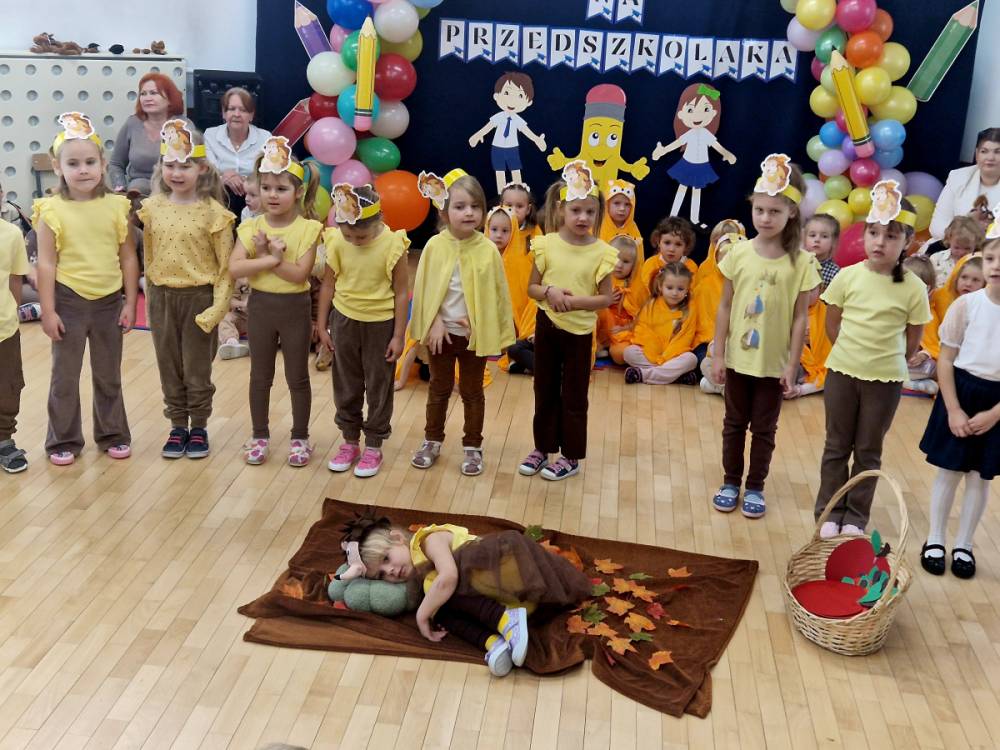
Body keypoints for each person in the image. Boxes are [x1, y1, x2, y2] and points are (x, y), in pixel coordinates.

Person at [814, 182, 932, 538]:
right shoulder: (848, 276)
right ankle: (829, 511)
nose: (880, 242)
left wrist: (890, 359)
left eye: (891, 236)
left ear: (906, 242)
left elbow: (914, 336)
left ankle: (855, 516)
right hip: (842, 373)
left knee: (868, 450)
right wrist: (849, 353)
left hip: (885, 380)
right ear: (864, 234)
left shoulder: (913, 287)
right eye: (874, 233)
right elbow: (832, 323)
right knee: (836, 445)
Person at [710, 157, 819, 518]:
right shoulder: (738, 253)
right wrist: (719, 353)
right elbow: (725, 306)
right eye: (759, 210)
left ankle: (755, 486)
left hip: (774, 363)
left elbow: (801, 316)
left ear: (791, 212)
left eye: (774, 211)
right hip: (738, 360)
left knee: (764, 429)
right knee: (733, 424)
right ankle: (730, 481)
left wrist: (792, 365)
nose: (765, 218)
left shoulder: (801, 262)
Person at [352, 512, 589, 676]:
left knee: (436, 587)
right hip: (508, 599)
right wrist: (431, 610)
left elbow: (449, 577)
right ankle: (494, 643)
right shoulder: (419, 573)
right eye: (381, 575)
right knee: (439, 608)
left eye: (386, 559)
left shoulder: (429, 540)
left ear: (397, 538)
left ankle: (507, 621)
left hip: (516, 577)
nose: (390, 571)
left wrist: (421, 615)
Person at [34, 114, 139, 466]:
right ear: (58, 167)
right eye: (73, 164)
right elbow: (46, 264)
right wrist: (49, 311)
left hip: (109, 302)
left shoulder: (117, 207)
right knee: (64, 377)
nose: (83, 170)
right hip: (68, 302)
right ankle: (62, 439)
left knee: (108, 375)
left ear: (103, 164)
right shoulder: (50, 210)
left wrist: (129, 302)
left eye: (90, 162)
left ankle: (113, 434)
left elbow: (128, 258)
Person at [136, 121, 235, 459]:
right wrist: (152, 300)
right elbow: (150, 259)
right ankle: (177, 425)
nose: (176, 173)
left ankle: (199, 427)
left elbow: (225, 269)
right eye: (170, 165)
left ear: (202, 168)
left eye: (185, 166)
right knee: (169, 366)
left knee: (196, 369)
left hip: (199, 299)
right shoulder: (152, 208)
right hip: (162, 299)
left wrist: (217, 310)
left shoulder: (215, 214)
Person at [409, 171, 514, 476]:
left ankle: (472, 445)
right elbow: (425, 290)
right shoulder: (434, 246)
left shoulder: (487, 250)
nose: (469, 212)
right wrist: (434, 322)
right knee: (439, 388)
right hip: (441, 335)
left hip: (472, 337)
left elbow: (496, 294)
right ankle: (432, 440)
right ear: (444, 212)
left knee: (472, 391)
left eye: (475, 206)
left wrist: (480, 322)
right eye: (460, 206)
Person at [518, 163, 616, 481]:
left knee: (574, 396)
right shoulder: (546, 244)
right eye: (576, 210)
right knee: (544, 389)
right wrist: (550, 292)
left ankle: (570, 455)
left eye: (590, 212)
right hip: (547, 326)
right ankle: (542, 448)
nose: (583, 218)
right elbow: (532, 288)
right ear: (561, 209)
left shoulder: (602, 252)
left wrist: (573, 302)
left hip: (580, 334)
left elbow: (606, 298)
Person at [229, 137, 323, 467]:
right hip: (261, 308)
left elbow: (299, 275)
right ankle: (259, 435)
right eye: (266, 187)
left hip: (294, 309)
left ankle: (300, 437)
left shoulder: (309, 228)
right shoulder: (250, 227)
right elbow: (234, 268)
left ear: (298, 192)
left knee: (297, 376)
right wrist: (270, 259)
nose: (272, 195)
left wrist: (264, 257)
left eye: (281, 188)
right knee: (260, 376)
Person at [918, 236, 1000, 579]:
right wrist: (953, 409)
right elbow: (946, 359)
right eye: (992, 259)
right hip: (961, 393)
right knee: (949, 471)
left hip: (996, 404)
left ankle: (964, 544)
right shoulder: (966, 306)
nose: (997, 266)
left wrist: (995, 414)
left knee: (980, 478)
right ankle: (935, 538)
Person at [316, 185, 408, 478]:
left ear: (378, 220)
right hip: (344, 322)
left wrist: (398, 335)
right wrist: (322, 324)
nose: (354, 242)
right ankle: (349, 441)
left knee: (379, 384)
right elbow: (328, 285)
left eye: (361, 237)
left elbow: (401, 293)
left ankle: (374, 445)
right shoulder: (336, 241)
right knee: (346, 383)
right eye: (348, 236)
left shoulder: (394, 244)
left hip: (380, 325)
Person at [653, 83, 737, 227]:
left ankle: (694, 219)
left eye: (705, 109)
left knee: (696, 192)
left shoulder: (706, 134)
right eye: (691, 110)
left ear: (713, 113)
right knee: (682, 189)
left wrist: (727, 154)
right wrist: (663, 151)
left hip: (701, 166)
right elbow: (677, 143)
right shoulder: (689, 133)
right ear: (681, 114)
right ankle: (672, 217)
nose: (698, 115)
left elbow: (716, 146)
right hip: (687, 164)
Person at [908, 255, 985, 395]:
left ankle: (910, 381)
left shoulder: (982, 309)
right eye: (964, 277)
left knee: (936, 368)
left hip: (959, 362)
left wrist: (925, 354)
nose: (968, 283)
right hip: (903, 357)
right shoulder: (940, 299)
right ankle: (910, 382)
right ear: (956, 278)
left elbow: (935, 342)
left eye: (975, 280)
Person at [468, 73, 547, 194]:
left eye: (520, 95)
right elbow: (487, 127)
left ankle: (519, 195)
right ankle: (502, 197)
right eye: (506, 93)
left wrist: (537, 139)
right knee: (500, 173)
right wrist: (477, 136)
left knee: (516, 171)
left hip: (512, 148)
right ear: (496, 96)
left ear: (528, 102)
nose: (512, 100)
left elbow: (526, 131)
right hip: (497, 148)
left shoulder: (517, 120)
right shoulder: (498, 117)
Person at [109, 74, 187, 195]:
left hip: (174, 188)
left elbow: (194, 165)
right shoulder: (132, 123)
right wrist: (120, 188)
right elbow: (116, 164)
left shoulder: (183, 125)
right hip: (138, 189)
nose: (147, 98)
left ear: (170, 98)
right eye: (143, 94)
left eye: (153, 93)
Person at [622, 262, 698, 385]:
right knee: (629, 352)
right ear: (660, 286)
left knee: (691, 359)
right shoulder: (651, 305)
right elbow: (642, 329)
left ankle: (644, 374)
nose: (675, 293)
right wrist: (656, 353)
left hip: (673, 355)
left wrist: (666, 356)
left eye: (680, 289)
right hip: (651, 353)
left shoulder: (690, 309)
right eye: (670, 288)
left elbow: (685, 338)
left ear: (687, 289)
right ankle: (674, 376)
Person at [204, 87, 272, 219]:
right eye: (231, 109)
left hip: (255, 201)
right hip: (220, 197)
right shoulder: (210, 135)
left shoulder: (265, 138)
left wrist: (245, 180)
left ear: (251, 115)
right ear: (224, 113)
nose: (237, 114)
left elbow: (268, 175)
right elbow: (209, 172)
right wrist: (224, 178)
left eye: (243, 110)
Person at [694, 223, 746, 394]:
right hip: (708, 342)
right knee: (702, 361)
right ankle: (727, 389)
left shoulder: (746, 286)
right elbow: (700, 321)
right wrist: (715, 343)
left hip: (735, 344)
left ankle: (715, 386)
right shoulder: (705, 285)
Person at [929, 128, 1000, 240]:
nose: (990, 158)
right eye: (984, 151)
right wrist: (967, 239)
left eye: (997, 152)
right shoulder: (958, 177)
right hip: (953, 245)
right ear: (977, 154)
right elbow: (937, 227)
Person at [0, 217, 29, 473]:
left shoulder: (12, 233)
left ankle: (4, 441)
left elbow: (15, 280)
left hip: (4, 326)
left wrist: (14, 315)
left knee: (9, 386)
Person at [633, 216, 697, 312]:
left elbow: (691, 294)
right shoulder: (651, 263)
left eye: (678, 244)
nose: (671, 249)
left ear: (686, 246)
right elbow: (644, 292)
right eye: (667, 243)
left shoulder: (690, 267)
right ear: (658, 242)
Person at [596, 234, 641, 364]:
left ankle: (613, 350)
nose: (619, 265)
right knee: (596, 311)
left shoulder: (638, 286)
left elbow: (642, 318)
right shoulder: (600, 277)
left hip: (623, 332)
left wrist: (625, 328)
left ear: (634, 265)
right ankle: (598, 346)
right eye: (615, 258)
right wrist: (606, 300)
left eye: (626, 262)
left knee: (619, 355)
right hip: (603, 330)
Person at [923, 216, 982, 288]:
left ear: (975, 244)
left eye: (967, 248)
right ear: (949, 240)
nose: (961, 253)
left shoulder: (978, 264)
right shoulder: (936, 258)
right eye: (957, 247)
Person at [598, 179, 643, 250]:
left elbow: (639, 254)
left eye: (627, 204)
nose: (622, 208)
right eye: (617, 203)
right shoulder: (597, 226)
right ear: (607, 204)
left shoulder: (633, 229)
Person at [803, 213, 840, 290]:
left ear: (834, 241)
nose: (817, 240)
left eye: (824, 236)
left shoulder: (834, 272)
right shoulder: (797, 264)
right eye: (812, 235)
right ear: (804, 239)